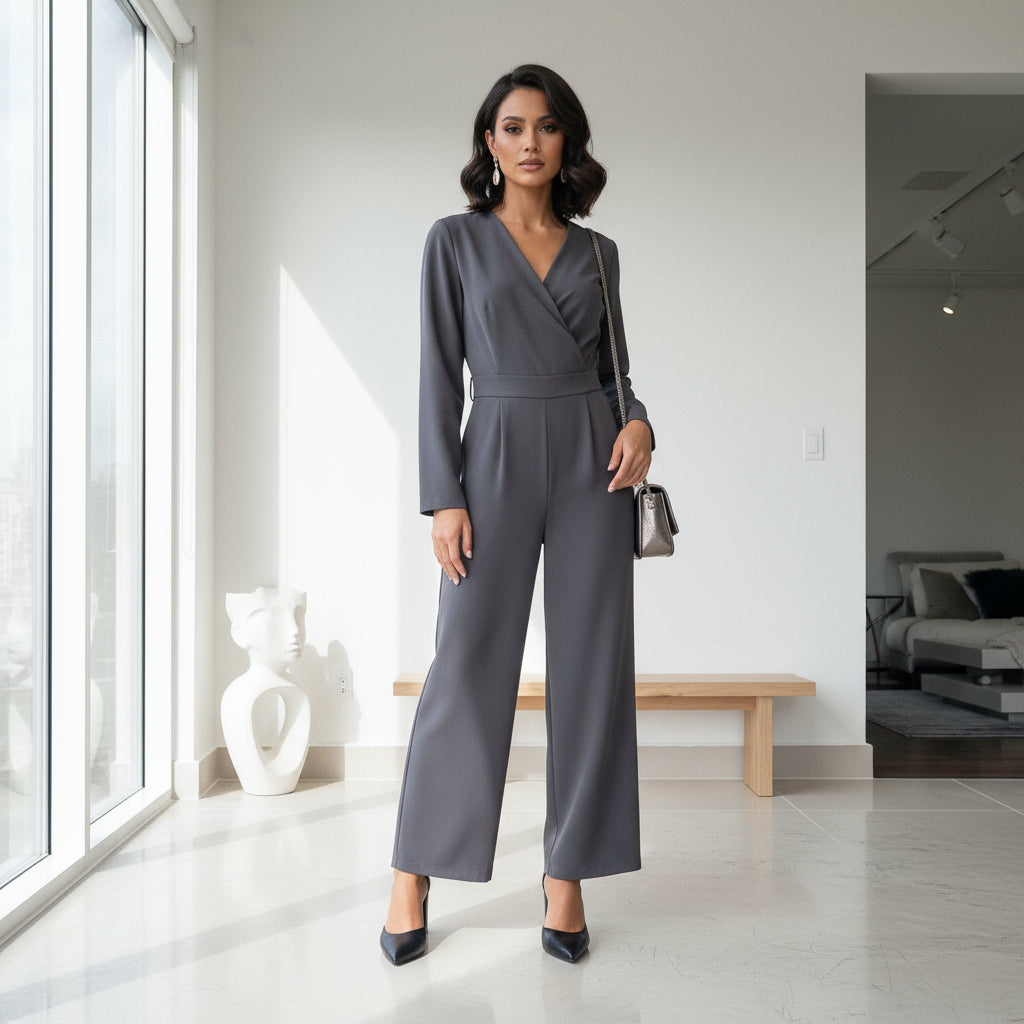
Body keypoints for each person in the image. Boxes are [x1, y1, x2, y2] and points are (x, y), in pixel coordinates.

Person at [380, 64, 655, 966]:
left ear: (566, 140)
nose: (529, 141)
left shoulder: (598, 253)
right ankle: (414, 867)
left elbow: (617, 373)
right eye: (511, 126)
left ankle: (566, 874)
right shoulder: (454, 241)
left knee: (591, 670)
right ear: (489, 143)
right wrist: (443, 495)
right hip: (490, 451)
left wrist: (641, 421)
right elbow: (434, 374)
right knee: (465, 662)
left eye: (544, 126)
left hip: (590, 461)